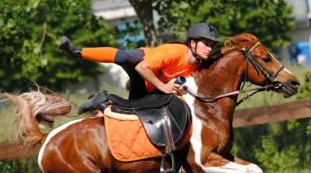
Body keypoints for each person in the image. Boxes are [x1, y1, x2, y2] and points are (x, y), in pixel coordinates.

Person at [59, 22, 220, 113]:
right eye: (206, 44)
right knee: (125, 57)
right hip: (142, 64)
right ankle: (75, 52)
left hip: (148, 89)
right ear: (192, 43)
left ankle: (101, 100)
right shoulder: (174, 51)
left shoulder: (199, 66)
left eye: (211, 45)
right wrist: (164, 87)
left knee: (132, 110)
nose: (209, 49)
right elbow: (142, 68)